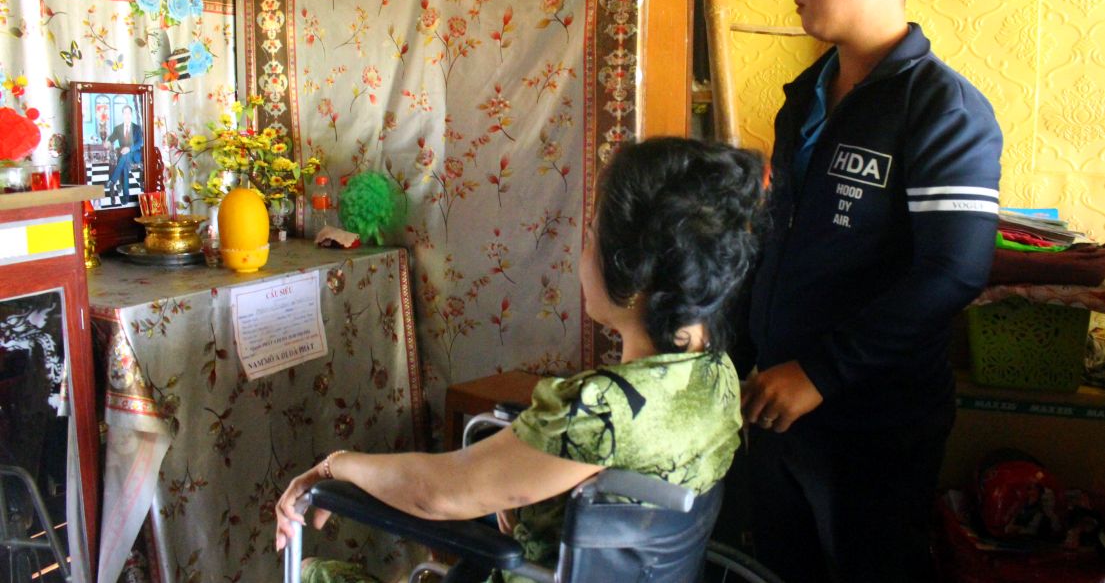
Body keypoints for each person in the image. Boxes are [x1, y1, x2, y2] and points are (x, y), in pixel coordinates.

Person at [274, 137, 766, 583]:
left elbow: (438, 494)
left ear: (632, 274)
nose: (584, 249)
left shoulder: (603, 410)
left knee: (318, 572)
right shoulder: (716, 374)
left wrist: (336, 467)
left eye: (592, 234)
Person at [738, 0, 1003, 583]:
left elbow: (952, 272)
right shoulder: (803, 100)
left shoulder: (943, 110)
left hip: (871, 428)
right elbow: (777, 240)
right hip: (773, 409)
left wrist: (820, 374)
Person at [105, 104, 143, 202]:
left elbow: (140, 143)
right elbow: (112, 137)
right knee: (125, 164)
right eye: (125, 113)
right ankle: (126, 197)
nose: (127, 115)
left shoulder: (137, 128)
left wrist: (129, 149)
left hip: (135, 155)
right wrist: (108, 142)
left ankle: (113, 180)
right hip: (124, 156)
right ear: (122, 115)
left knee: (125, 156)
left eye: (129, 113)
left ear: (131, 114)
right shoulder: (118, 128)